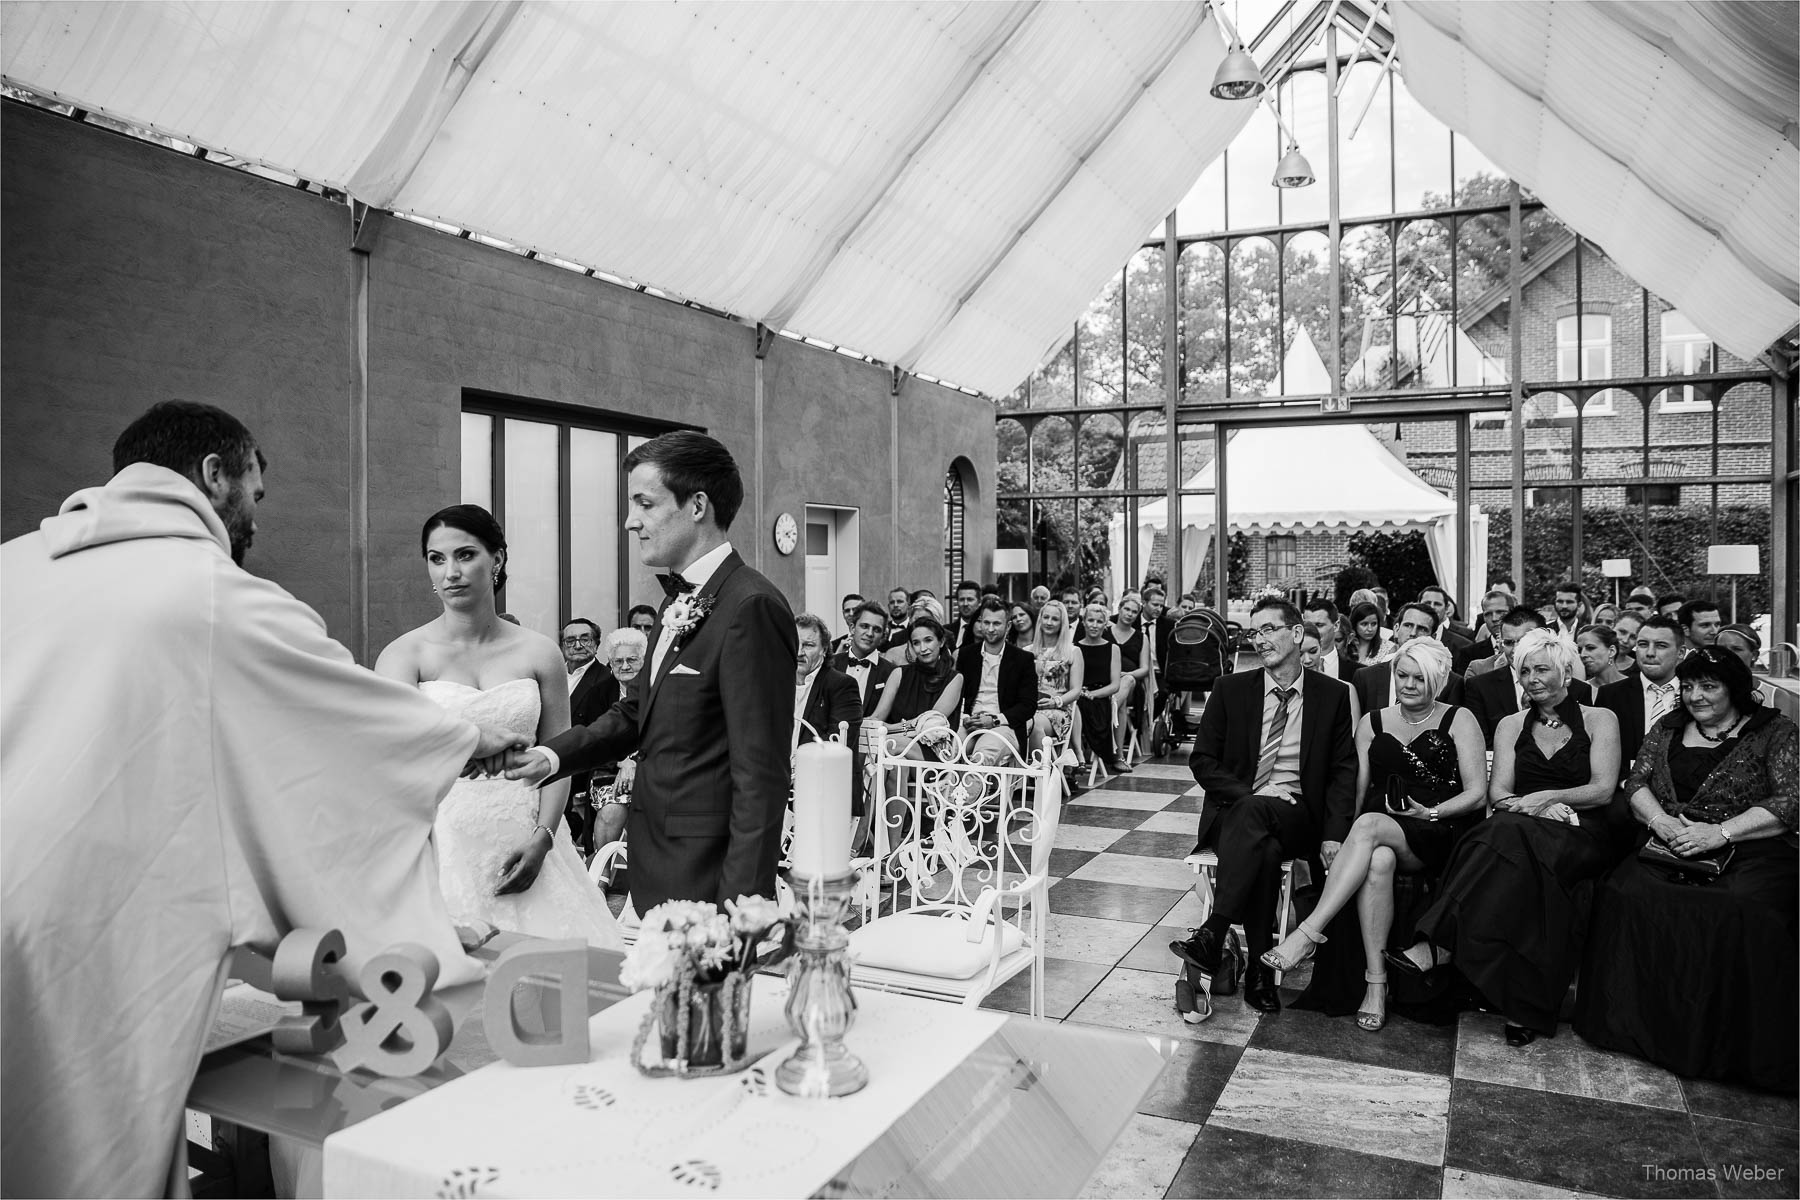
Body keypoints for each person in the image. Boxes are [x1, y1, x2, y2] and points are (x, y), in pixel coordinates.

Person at [0, 402, 527, 1198]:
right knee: (83, 1157)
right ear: (216, 474)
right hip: (78, 930)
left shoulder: (13, 564)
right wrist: (466, 738)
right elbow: (346, 725)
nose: (251, 518)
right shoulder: (213, 592)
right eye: (254, 491)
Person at [501, 431, 796, 915]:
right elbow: (635, 713)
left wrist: (738, 910)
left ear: (697, 505)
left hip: (708, 877)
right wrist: (547, 758)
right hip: (656, 864)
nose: (629, 521)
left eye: (644, 503)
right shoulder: (675, 603)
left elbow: (760, 774)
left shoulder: (751, 606)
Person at [377, 505, 623, 947]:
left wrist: (544, 839)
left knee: (553, 976)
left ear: (498, 559)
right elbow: (394, 755)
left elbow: (559, 756)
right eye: (437, 559)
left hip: (530, 834)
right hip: (441, 840)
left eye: (465, 555)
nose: (450, 572)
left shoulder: (541, 652)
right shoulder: (403, 655)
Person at [1573, 648, 1797, 1091]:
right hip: (1669, 843)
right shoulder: (1669, 726)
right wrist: (1660, 822)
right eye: (1689, 686)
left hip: (1749, 847)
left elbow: (1790, 800)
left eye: (1708, 686)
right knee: (1623, 892)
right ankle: (1634, 1029)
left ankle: (1727, 1047)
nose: (1696, 695)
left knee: (1741, 907)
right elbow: (1637, 782)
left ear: (1735, 689)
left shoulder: (1775, 730)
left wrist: (1722, 833)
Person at [1389, 629, 1622, 1046]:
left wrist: (1545, 798)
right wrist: (1530, 807)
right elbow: (1499, 793)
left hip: (1581, 830)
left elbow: (1603, 788)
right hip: (1524, 831)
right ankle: (1523, 1006)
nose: (1531, 679)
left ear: (1566, 672)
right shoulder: (1511, 724)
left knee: (1501, 833)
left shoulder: (1599, 718)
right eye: (1524, 671)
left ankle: (1440, 944)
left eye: (1541, 670)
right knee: (1512, 850)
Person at [1273, 639, 1486, 1032]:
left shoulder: (1460, 718)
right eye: (1401, 675)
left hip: (1439, 829)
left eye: (1419, 678)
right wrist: (1336, 837)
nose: (1408, 684)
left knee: (1369, 827)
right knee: (1377, 858)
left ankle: (1307, 933)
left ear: (1437, 681)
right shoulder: (1372, 721)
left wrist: (1430, 811)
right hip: (1382, 832)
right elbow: (1357, 791)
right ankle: (1375, 983)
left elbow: (1477, 794)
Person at [1170, 598, 1357, 1019]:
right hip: (1236, 814)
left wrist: (1333, 834)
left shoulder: (1331, 696)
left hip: (1298, 814)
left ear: (1296, 634)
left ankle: (1214, 932)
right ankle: (1258, 969)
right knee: (1264, 847)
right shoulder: (1231, 689)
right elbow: (1202, 761)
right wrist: (1254, 792)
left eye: (1270, 629)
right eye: (1256, 632)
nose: (1261, 639)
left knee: (1263, 823)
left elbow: (1344, 772)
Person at [1465, 607, 1594, 747]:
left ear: (1544, 641)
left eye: (1522, 641)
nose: (1515, 650)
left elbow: (1584, 742)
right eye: (1508, 643)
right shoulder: (1480, 687)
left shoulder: (1579, 690)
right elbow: (1479, 744)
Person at [588, 627, 647, 877]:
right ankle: (602, 877)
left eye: (632, 659)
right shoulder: (600, 692)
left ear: (644, 661)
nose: (625, 665)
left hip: (653, 767)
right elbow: (592, 739)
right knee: (612, 809)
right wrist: (623, 761)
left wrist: (634, 762)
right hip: (608, 769)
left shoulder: (658, 690)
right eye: (618, 661)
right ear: (610, 664)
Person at [870, 616, 963, 763]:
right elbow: (876, 719)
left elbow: (929, 726)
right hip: (896, 749)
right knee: (892, 756)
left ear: (941, 641)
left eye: (928, 640)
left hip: (934, 752)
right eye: (916, 643)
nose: (923, 648)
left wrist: (892, 727)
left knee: (890, 745)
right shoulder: (899, 673)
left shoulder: (955, 678)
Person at [1597, 614, 1685, 770]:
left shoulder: (1694, 696)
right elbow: (1600, 756)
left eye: (1661, 645)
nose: (1650, 652)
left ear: (1681, 652)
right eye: (1643, 644)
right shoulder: (1610, 696)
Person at [957, 597, 1037, 765]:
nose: (990, 629)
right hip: (969, 723)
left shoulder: (1023, 659)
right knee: (949, 751)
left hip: (1004, 726)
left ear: (1008, 626)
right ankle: (948, 790)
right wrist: (965, 717)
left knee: (980, 757)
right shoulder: (966, 655)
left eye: (997, 624)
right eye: (986, 623)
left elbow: (1028, 706)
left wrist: (995, 720)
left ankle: (959, 792)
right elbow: (959, 694)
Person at [1351, 602, 1466, 712]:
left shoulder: (1451, 683)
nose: (1413, 633)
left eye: (1422, 629)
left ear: (1434, 637)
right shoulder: (1365, 677)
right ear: (1396, 630)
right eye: (1408, 625)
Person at [561, 617, 611, 851]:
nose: (578, 645)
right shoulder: (556, 675)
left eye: (585, 639)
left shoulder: (605, 680)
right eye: (570, 640)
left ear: (597, 644)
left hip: (580, 764)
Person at [793, 612, 861, 753]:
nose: (799, 652)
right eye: (795, 643)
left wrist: (798, 760)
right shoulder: (779, 684)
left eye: (808, 645)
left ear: (824, 649)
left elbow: (839, 741)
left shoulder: (842, 685)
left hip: (822, 770)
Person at [1026, 600, 1083, 762]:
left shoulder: (1072, 652)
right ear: (1040, 619)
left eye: (1055, 619)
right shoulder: (1027, 652)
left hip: (1059, 711)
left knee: (1034, 724)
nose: (1049, 622)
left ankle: (1040, 776)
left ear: (1062, 623)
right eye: (1046, 617)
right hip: (1029, 707)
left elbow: (1076, 690)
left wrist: (1055, 702)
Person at [1075, 602, 1128, 773]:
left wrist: (1093, 694)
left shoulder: (1112, 649)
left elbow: (1115, 685)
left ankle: (1113, 755)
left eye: (1099, 622)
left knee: (1095, 707)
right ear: (1083, 622)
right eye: (1090, 620)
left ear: (1105, 624)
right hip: (1078, 694)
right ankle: (1075, 757)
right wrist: (1080, 692)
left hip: (1102, 696)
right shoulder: (1075, 647)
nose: (1094, 625)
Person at [832, 600, 898, 717]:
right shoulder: (831, 664)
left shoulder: (891, 672)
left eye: (876, 629)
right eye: (864, 626)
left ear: (883, 636)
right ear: (852, 628)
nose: (870, 633)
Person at [1110, 590, 1153, 755]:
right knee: (1119, 707)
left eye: (1134, 612)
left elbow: (1144, 669)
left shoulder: (1142, 637)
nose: (1130, 614)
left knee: (1127, 680)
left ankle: (1109, 708)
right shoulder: (1105, 631)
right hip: (1106, 683)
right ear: (1120, 609)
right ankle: (1117, 753)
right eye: (1127, 609)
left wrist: (1125, 674)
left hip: (1131, 687)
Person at [1460, 588, 1517, 675]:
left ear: (1513, 612)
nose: (1494, 618)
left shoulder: (1528, 648)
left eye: (1500, 612)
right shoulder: (1469, 654)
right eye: (1488, 614)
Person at [1303, 598, 1357, 682]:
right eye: (1308, 625)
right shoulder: (1291, 669)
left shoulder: (1357, 672)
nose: (1313, 630)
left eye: (1319, 625)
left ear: (1336, 625)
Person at [1418, 585, 1473, 656]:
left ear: (1446, 608)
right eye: (1427, 603)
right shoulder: (1407, 636)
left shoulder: (1463, 645)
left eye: (1437, 604)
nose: (1431, 607)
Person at [1344, 600, 1395, 667]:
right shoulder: (1345, 645)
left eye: (1374, 624)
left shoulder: (1388, 648)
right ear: (1355, 624)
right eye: (1364, 624)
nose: (1370, 629)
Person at [1575, 623, 1627, 690]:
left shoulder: (1635, 686)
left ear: (1611, 651)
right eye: (1580, 650)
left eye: (1590, 648)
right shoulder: (1581, 691)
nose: (1582, 655)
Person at [1610, 612, 1644, 677]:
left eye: (1633, 637)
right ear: (1612, 627)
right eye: (1622, 632)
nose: (1625, 640)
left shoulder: (1641, 670)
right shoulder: (1591, 659)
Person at [883, 586, 913, 651]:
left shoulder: (913, 628)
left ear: (908, 605)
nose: (895, 605)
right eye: (892, 602)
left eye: (900, 602)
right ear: (888, 606)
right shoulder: (883, 628)